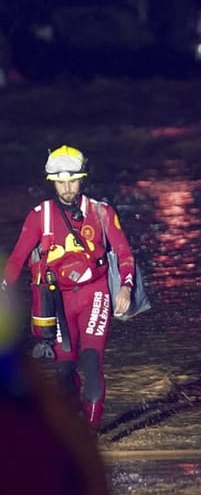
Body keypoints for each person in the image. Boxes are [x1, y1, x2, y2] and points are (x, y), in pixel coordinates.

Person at [2, 145, 135, 429]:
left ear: (82, 179)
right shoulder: (40, 215)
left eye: (72, 180)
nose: (67, 188)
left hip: (95, 294)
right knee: (63, 370)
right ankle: (74, 422)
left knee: (90, 361)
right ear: (52, 182)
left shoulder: (101, 212)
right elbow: (16, 260)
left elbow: (124, 253)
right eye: (60, 182)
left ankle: (91, 432)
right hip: (57, 301)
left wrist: (125, 288)